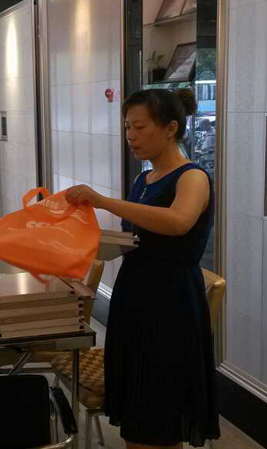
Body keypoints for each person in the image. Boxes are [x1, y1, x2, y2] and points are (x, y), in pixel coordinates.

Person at [65, 89, 220, 449]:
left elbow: (178, 222)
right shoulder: (144, 179)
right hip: (135, 298)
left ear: (170, 128)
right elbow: (140, 239)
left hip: (170, 305)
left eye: (139, 127)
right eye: (126, 127)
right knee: (139, 415)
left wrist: (104, 201)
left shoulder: (192, 177)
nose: (130, 136)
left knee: (158, 413)